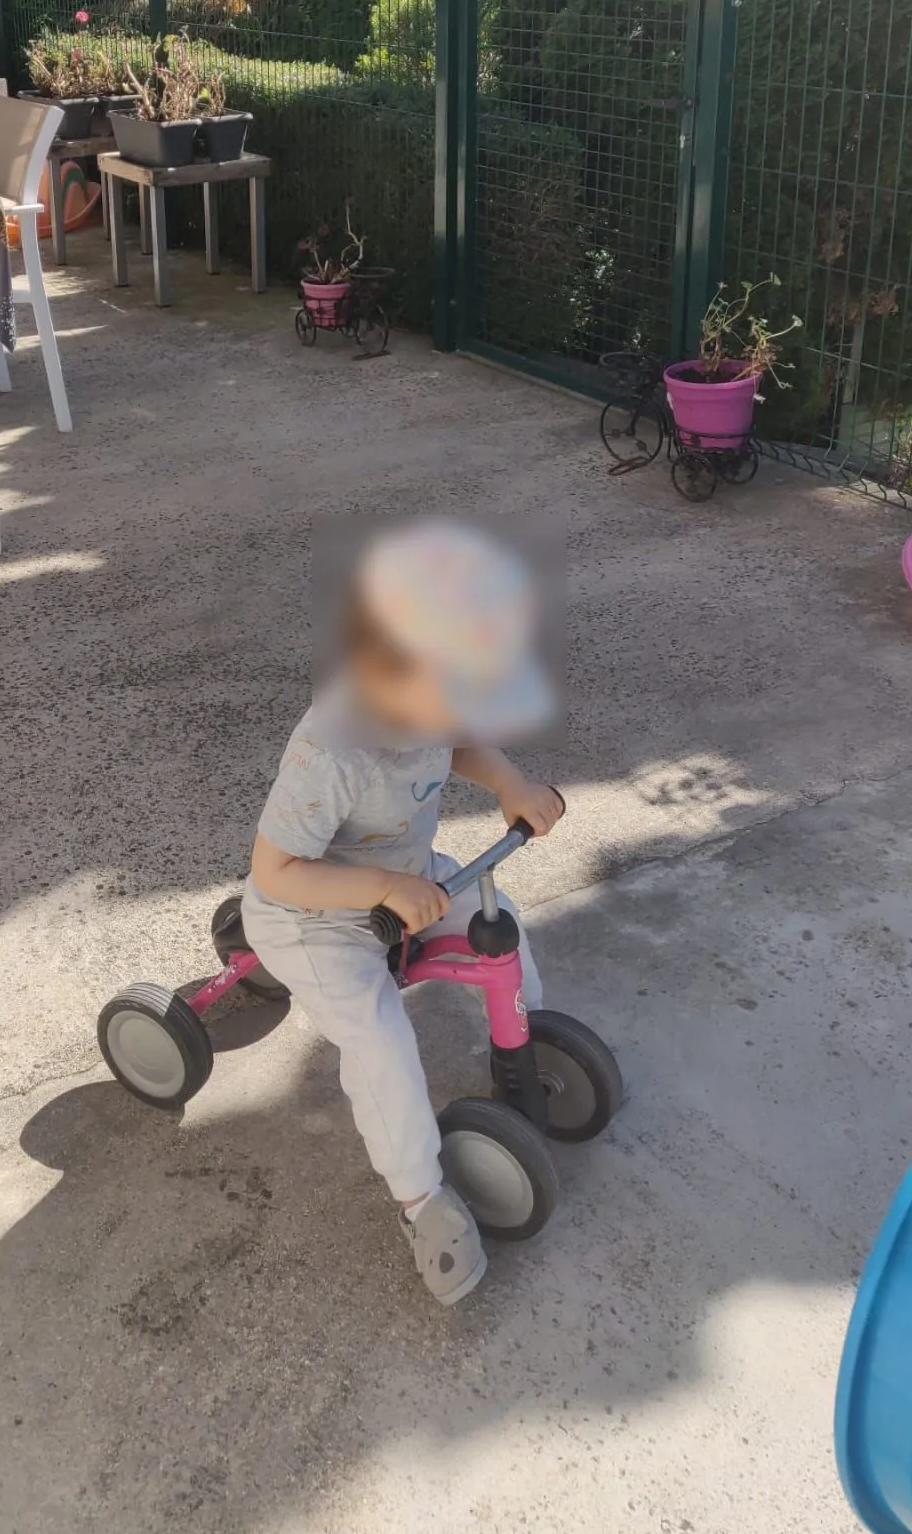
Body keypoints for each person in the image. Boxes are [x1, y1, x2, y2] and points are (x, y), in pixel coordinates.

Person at [242, 518, 561, 1305]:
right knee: (379, 1036)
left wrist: (512, 786)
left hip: (410, 882)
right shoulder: (334, 750)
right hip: (313, 916)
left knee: (504, 926)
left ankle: (531, 1045)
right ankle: (421, 1199)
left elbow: (458, 747)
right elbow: (275, 870)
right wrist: (379, 892)